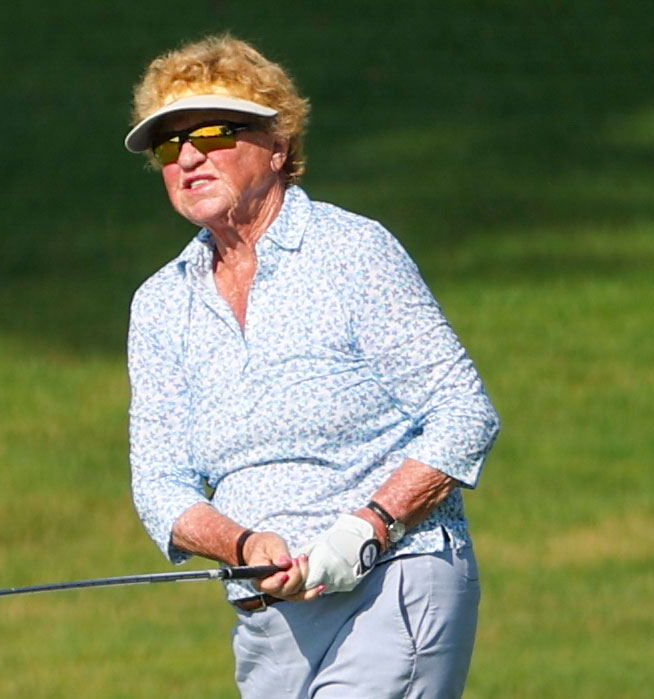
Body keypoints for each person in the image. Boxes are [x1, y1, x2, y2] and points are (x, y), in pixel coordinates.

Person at [123, 34, 500, 699]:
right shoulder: (160, 303)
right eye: (167, 145)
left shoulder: (352, 251)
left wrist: (368, 528)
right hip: (267, 625)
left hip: (390, 584)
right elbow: (160, 484)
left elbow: (463, 414)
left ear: (277, 145)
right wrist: (243, 545)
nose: (187, 157)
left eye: (212, 133)